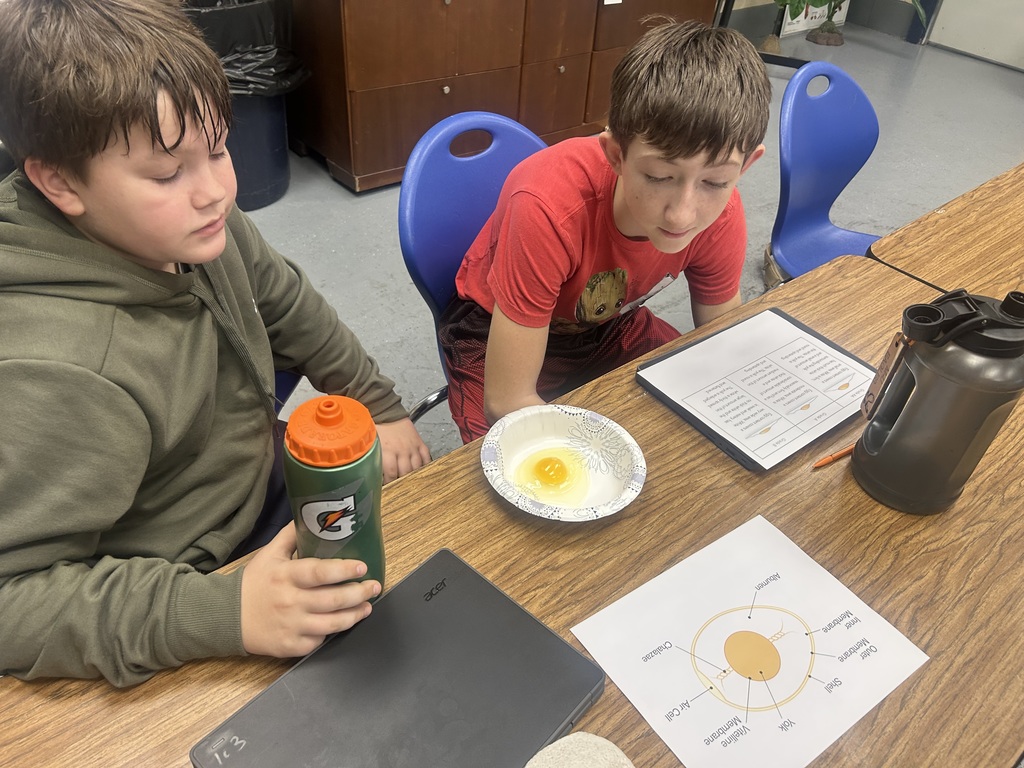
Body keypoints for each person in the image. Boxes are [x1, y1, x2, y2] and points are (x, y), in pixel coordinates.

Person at [0, 0, 431, 687]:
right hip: (171, 582)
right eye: (167, 175)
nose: (217, 192)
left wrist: (378, 403)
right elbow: (13, 602)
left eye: (220, 148)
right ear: (57, 180)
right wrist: (220, 612)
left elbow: (288, 304)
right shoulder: (59, 371)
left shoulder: (188, 226)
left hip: (250, 477)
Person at [439, 19, 771, 443]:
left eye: (715, 182)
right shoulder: (547, 206)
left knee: (692, 420)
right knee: (509, 464)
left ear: (745, 167)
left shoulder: (721, 215)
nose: (682, 215)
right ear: (616, 154)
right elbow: (507, 400)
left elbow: (725, 342)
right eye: (657, 177)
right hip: (492, 332)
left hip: (610, 323)